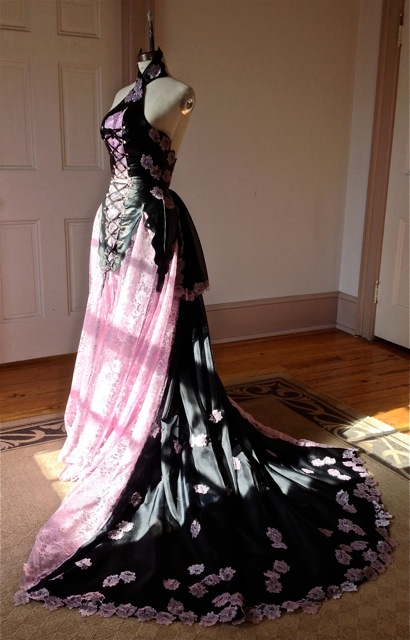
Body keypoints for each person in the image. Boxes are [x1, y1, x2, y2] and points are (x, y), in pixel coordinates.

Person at [15, 48, 394, 626]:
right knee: (116, 333)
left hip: (151, 223)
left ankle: (157, 419)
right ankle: (115, 420)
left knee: (156, 341)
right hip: (111, 220)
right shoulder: (123, 93)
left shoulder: (178, 93)